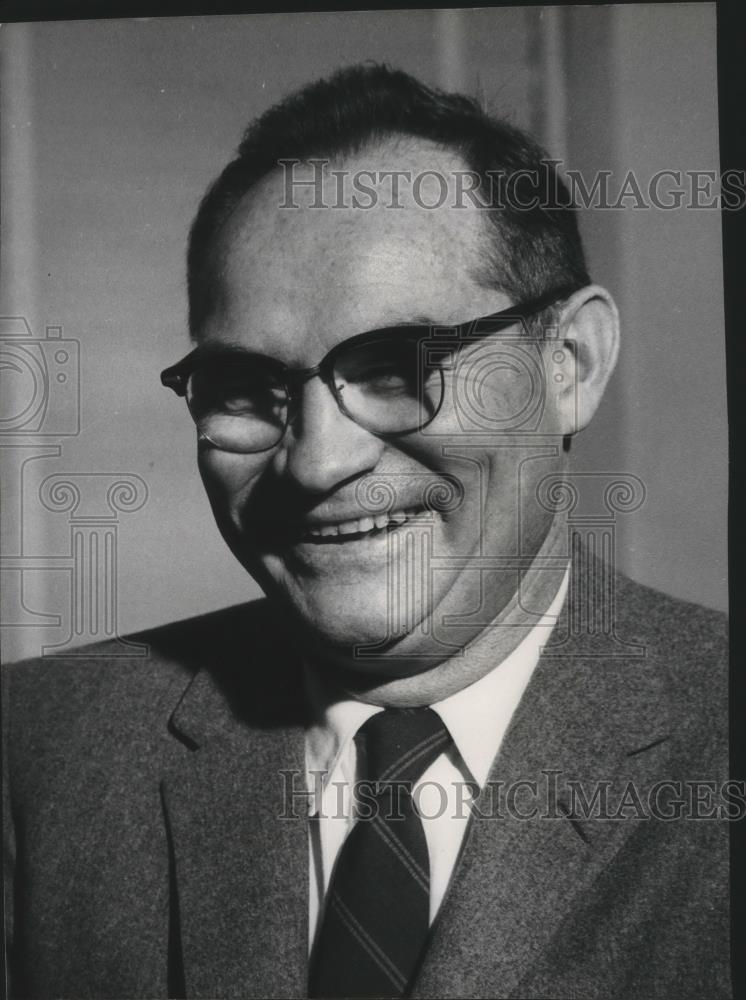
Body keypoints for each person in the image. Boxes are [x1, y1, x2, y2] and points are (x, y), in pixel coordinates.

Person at [3, 64, 731, 999]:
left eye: (396, 367)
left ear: (572, 364)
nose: (317, 464)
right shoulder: (33, 749)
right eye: (247, 391)